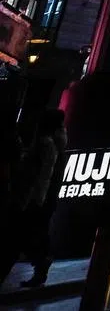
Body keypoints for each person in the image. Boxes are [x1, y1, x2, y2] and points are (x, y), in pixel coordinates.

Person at [0, 108, 67, 289]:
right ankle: (41, 263)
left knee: (16, 238)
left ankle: (39, 263)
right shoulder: (55, 144)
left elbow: (42, 176)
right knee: (26, 236)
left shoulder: (45, 144)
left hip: (32, 200)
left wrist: (34, 201)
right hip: (38, 200)